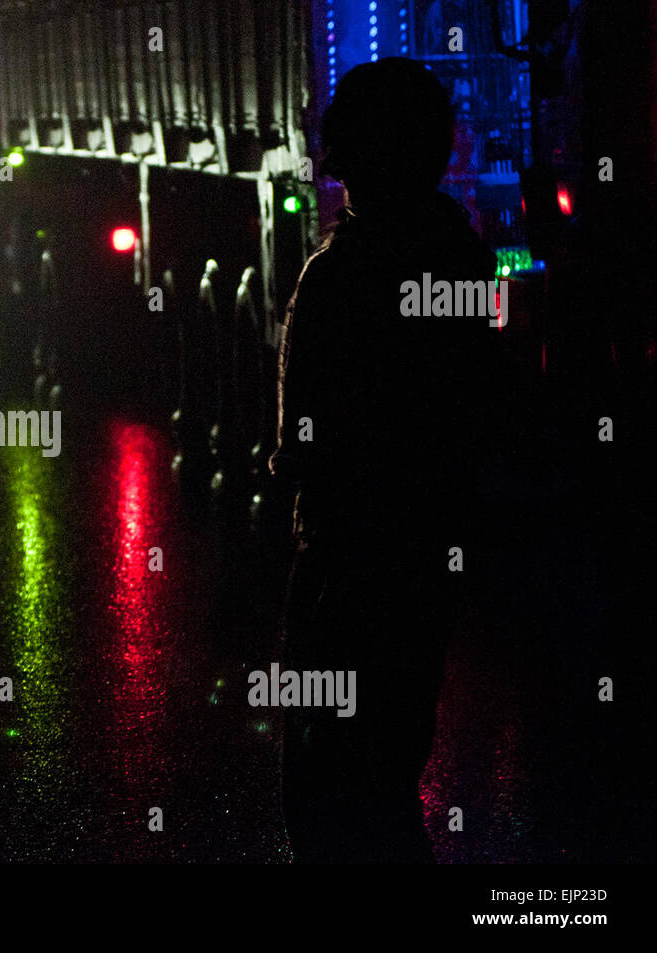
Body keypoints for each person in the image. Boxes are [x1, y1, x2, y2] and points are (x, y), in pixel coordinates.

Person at [269, 59, 501, 862]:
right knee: (395, 753)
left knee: (322, 768)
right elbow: (483, 405)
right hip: (428, 553)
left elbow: (302, 438)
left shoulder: (336, 278)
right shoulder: (466, 263)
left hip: (343, 559)